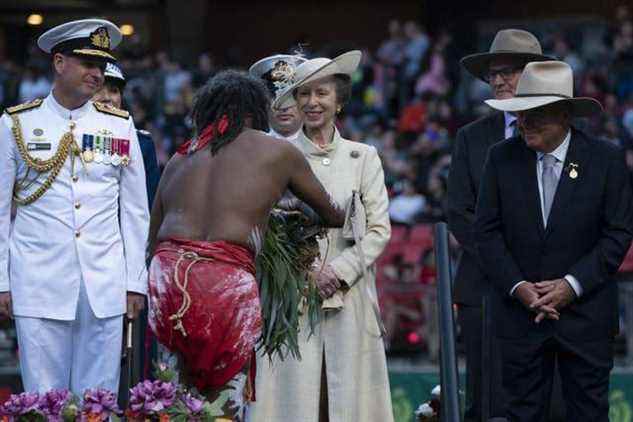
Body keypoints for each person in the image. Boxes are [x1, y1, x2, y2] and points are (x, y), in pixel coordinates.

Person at [147, 69, 345, 421]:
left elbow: (152, 239)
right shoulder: (278, 151)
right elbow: (332, 214)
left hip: (168, 277)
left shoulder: (179, 157)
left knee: (173, 394)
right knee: (226, 395)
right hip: (224, 282)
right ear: (256, 112)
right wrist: (288, 208)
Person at [475, 60, 633, 421]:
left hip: (586, 316)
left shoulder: (605, 159)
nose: (525, 123)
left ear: (565, 115)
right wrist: (519, 287)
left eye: (536, 114)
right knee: (520, 414)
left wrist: (571, 285)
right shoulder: (500, 158)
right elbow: (486, 231)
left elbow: (618, 233)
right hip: (520, 319)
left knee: (588, 414)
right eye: (521, 113)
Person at [0, 19, 149, 395]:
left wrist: (135, 282)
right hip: (38, 279)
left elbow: (135, 212)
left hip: (106, 281)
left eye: (101, 66)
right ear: (59, 62)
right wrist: (1, 281)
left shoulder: (120, 126)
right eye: (87, 63)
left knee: (98, 398)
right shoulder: (16, 124)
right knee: (42, 397)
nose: (97, 73)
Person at [248, 51, 393, 422]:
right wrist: (301, 271)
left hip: (350, 295)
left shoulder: (364, 157)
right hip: (291, 297)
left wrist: (338, 271)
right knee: (293, 400)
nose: (313, 103)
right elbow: (260, 225)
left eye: (322, 93)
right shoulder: (276, 155)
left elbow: (379, 229)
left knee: (348, 401)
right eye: (304, 94)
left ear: (339, 100)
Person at [446, 28, 551, 421]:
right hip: (484, 289)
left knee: (548, 396)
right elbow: (458, 212)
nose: (499, 80)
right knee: (486, 398)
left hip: (549, 289)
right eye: (493, 73)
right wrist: (509, 268)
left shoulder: (564, 136)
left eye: (510, 71)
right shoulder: (471, 138)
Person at [93, 61, 160, 208]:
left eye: (114, 91)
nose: (106, 97)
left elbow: (150, 204)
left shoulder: (142, 143)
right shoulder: (70, 137)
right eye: (97, 90)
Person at [249, 54, 306, 141]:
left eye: (290, 98)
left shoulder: (322, 144)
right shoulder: (251, 145)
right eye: (275, 99)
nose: (284, 108)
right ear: (265, 102)